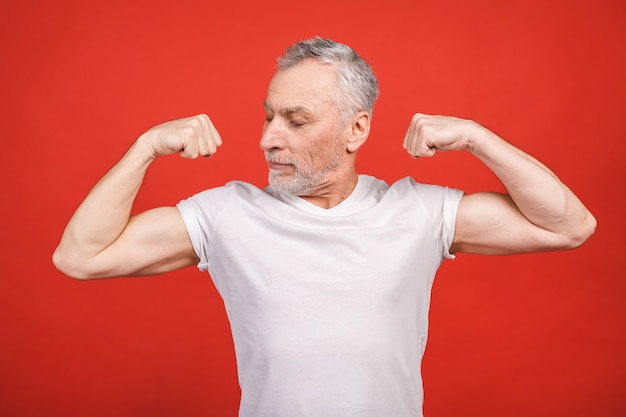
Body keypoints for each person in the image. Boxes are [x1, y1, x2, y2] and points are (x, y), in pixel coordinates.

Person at [53, 37, 596, 417]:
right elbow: (81, 256)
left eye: (296, 120)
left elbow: (568, 226)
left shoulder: (419, 212)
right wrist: (146, 147)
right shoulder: (226, 215)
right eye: (267, 116)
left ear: (356, 129)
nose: (268, 138)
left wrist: (477, 137)